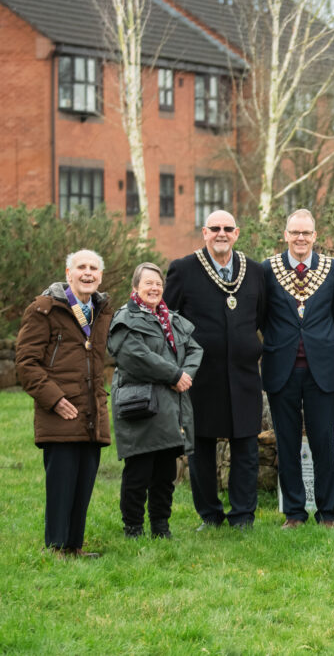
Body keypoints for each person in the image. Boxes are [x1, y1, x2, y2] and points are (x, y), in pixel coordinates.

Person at [165, 210, 267, 530]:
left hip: (244, 373)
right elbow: (168, 319)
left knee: (246, 446)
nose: (221, 234)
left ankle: (243, 515)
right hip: (201, 376)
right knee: (202, 448)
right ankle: (209, 515)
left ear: (237, 233)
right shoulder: (183, 269)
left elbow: (260, 316)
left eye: (227, 229)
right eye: (214, 229)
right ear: (204, 233)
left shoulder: (255, 271)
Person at [16, 250, 112, 557]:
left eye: (93, 268)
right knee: (61, 484)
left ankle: (74, 546)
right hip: (61, 410)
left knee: (83, 483)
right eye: (81, 267)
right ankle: (55, 547)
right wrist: (54, 399)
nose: (88, 273)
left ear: (100, 275)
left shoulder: (102, 310)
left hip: (92, 411)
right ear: (68, 273)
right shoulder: (44, 309)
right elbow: (26, 363)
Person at [262, 208, 334, 529]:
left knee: (323, 442)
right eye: (294, 233)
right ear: (285, 235)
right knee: (286, 442)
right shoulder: (268, 269)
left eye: (306, 233)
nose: (300, 238)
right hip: (280, 367)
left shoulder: (333, 269)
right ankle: (294, 513)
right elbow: (261, 316)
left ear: (315, 236)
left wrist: (319, 341)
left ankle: (328, 513)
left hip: (321, 369)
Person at [108, 263, 203, 539]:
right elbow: (135, 357)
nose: (154, 288)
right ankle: (133, 527)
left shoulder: (172, 319)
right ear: (135, 288)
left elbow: (195, 349)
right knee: (138, 472)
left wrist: (185, 375)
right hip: (141, 406)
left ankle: (161, 526)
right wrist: (174, 374)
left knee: (165, 473)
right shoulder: (125, 319)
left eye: (158, 284)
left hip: (171, 407)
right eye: (148, 283)